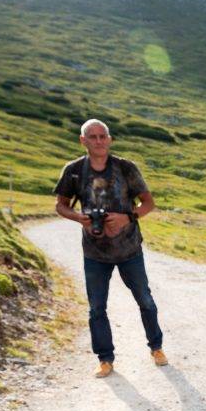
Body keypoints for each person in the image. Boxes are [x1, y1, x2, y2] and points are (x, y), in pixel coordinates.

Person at [53, 119, 167, 378]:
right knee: (96, 308)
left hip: (129, 249)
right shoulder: (73, 171)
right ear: (83, 141)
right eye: (92, 137)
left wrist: (128, 217)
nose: (98, 141)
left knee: (145, 300)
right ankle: (105, 359)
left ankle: (156, 347)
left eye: (102, 136)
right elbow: (61, 205)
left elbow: (148, 203)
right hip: (95, 252)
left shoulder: (126, 168)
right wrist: (79, 218)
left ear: (110, 139)